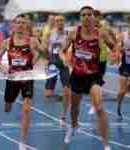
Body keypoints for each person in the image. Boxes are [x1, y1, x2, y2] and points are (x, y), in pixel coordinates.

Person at [62, 6, 116, 150]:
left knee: (99, 107)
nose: (86, 17)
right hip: (78, 75)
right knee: (74, 108)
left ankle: (106, 144)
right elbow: (62, 50)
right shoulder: (74, 33)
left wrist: (115, 54)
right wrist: (66, 60)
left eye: (89, 14)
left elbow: (113, 46)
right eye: (83, 15)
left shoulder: (101, 34)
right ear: (80, 17)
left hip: (94, 75)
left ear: (93, 17)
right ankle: (73, 126)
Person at [0, 15, 42, 150]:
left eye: (23, 23)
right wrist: (3, 68)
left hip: (27, 78)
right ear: (14, 26)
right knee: (8, 108)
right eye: (18, 23)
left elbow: (42, 53)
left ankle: (22, 142)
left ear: (26, 26)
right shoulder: (7, 42)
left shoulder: (32, 41)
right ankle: (8, 103)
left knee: (26, 110)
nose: (20, 25)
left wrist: (34, 61)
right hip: (12, 78)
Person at [43, 15, 71, 127]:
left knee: (67, 90)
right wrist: (45, 62)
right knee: (48, 94)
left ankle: (63, 116)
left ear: (64, 22)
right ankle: (61, 98)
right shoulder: (50, 33)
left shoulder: (68, 34)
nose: (59, 22)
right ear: (55, 23)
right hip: (52, 63)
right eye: (57, 21)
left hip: (63, 64)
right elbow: (44, 48)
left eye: (61, 20)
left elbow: (71, 48)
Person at [117, 24, 130, 118]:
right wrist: (123, 49)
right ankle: (119, 106)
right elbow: (116, 48)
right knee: (122, 90)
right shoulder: (123, 36)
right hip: (125, 66)